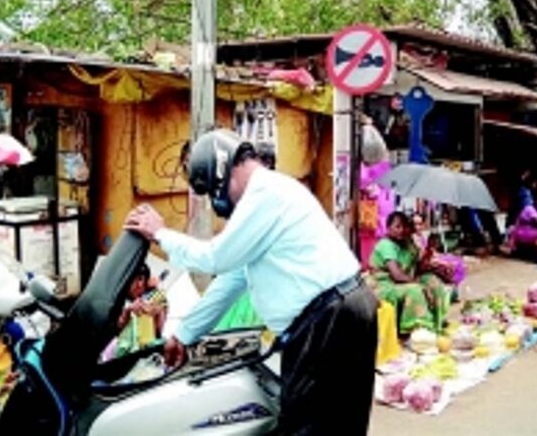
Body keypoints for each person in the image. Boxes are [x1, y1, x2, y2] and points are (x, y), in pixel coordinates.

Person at [124, 129, 377, 435]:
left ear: (221, 171)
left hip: (329, 320)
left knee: (307, 426)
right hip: (339, 313)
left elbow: (215, 258)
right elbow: (231, 278)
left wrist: (160, 233)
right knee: (336, 424)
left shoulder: (264, 192)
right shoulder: (268, 194)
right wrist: (185, 333)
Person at [368, 212, 451, 335]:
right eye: (398, 226)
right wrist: (420, 285)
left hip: (403, 281)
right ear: (388, 228)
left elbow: (417, 268)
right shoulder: (385, 245)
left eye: (405, 227)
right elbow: (397, 275)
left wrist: (432, 260)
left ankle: (436, 323)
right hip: (384, 285)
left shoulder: (408, 244)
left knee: (433, 283)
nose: (402, 230)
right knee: (415, 290)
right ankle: (413, 329)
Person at [112, 263, 167, 358]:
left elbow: (157, 333)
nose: (140, 284)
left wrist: (159, 312)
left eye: (142, 279)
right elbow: (115, 330)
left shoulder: (154, 299)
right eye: (136, 279)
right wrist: (128, 311)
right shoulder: (115, 301)